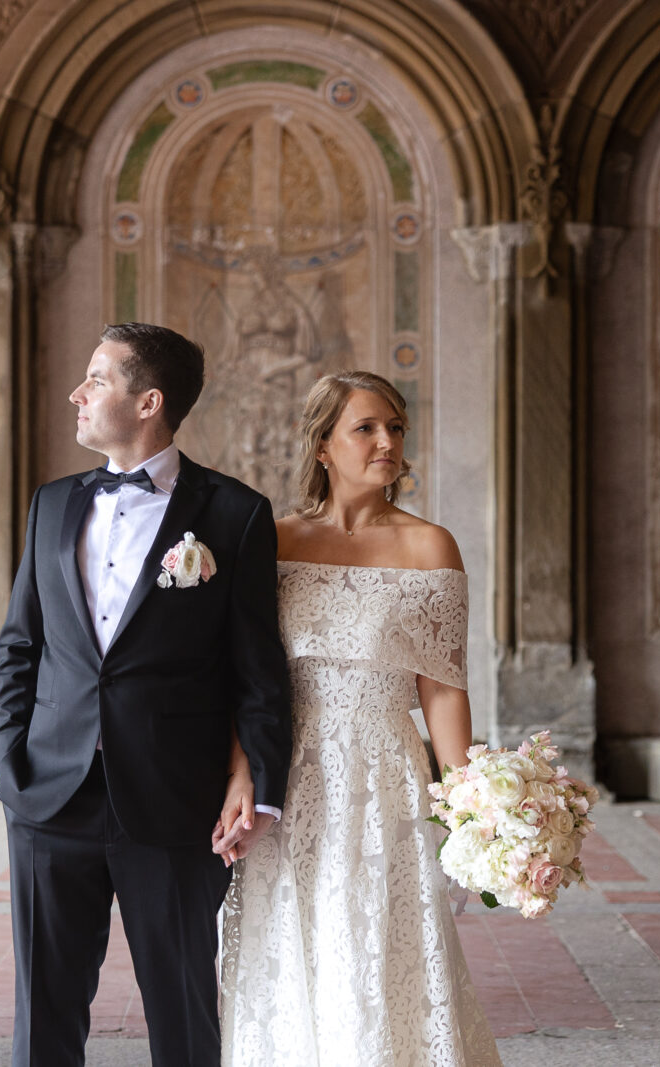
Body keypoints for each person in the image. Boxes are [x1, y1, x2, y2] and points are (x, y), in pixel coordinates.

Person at [0, 322, 292, 1067]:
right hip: (49, 795)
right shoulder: (53, 504)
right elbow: (20, 645)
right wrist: (6, 761)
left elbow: (258, 667)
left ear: (149, 401)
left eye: (97, 378)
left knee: (184, 1010)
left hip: (174, 800)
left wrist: (259, 785)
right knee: (42, 1012)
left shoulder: (234, 514)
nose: (78, 393)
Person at [213, 370, 503, 1066]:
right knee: (290, 937)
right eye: (366, 428)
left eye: (396, 427)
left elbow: (442, 688)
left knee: (382, 939)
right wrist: (240, 772)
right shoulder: (273, 542)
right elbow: (246, 678)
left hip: (385, 774)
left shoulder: (430, 546)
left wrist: (470, 809)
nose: (386, 442)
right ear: (322, 445)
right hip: (290, 770)